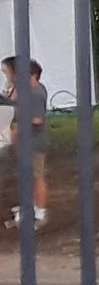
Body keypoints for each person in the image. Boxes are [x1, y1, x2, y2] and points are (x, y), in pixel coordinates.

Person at [1, 56, 46, 230]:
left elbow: (37, 120)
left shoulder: (35, 93)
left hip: (33, 143)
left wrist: (18, 124)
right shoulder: (24, 90)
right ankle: (29, 207)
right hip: (24, 142)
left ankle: (39, 212)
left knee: (36, 177)